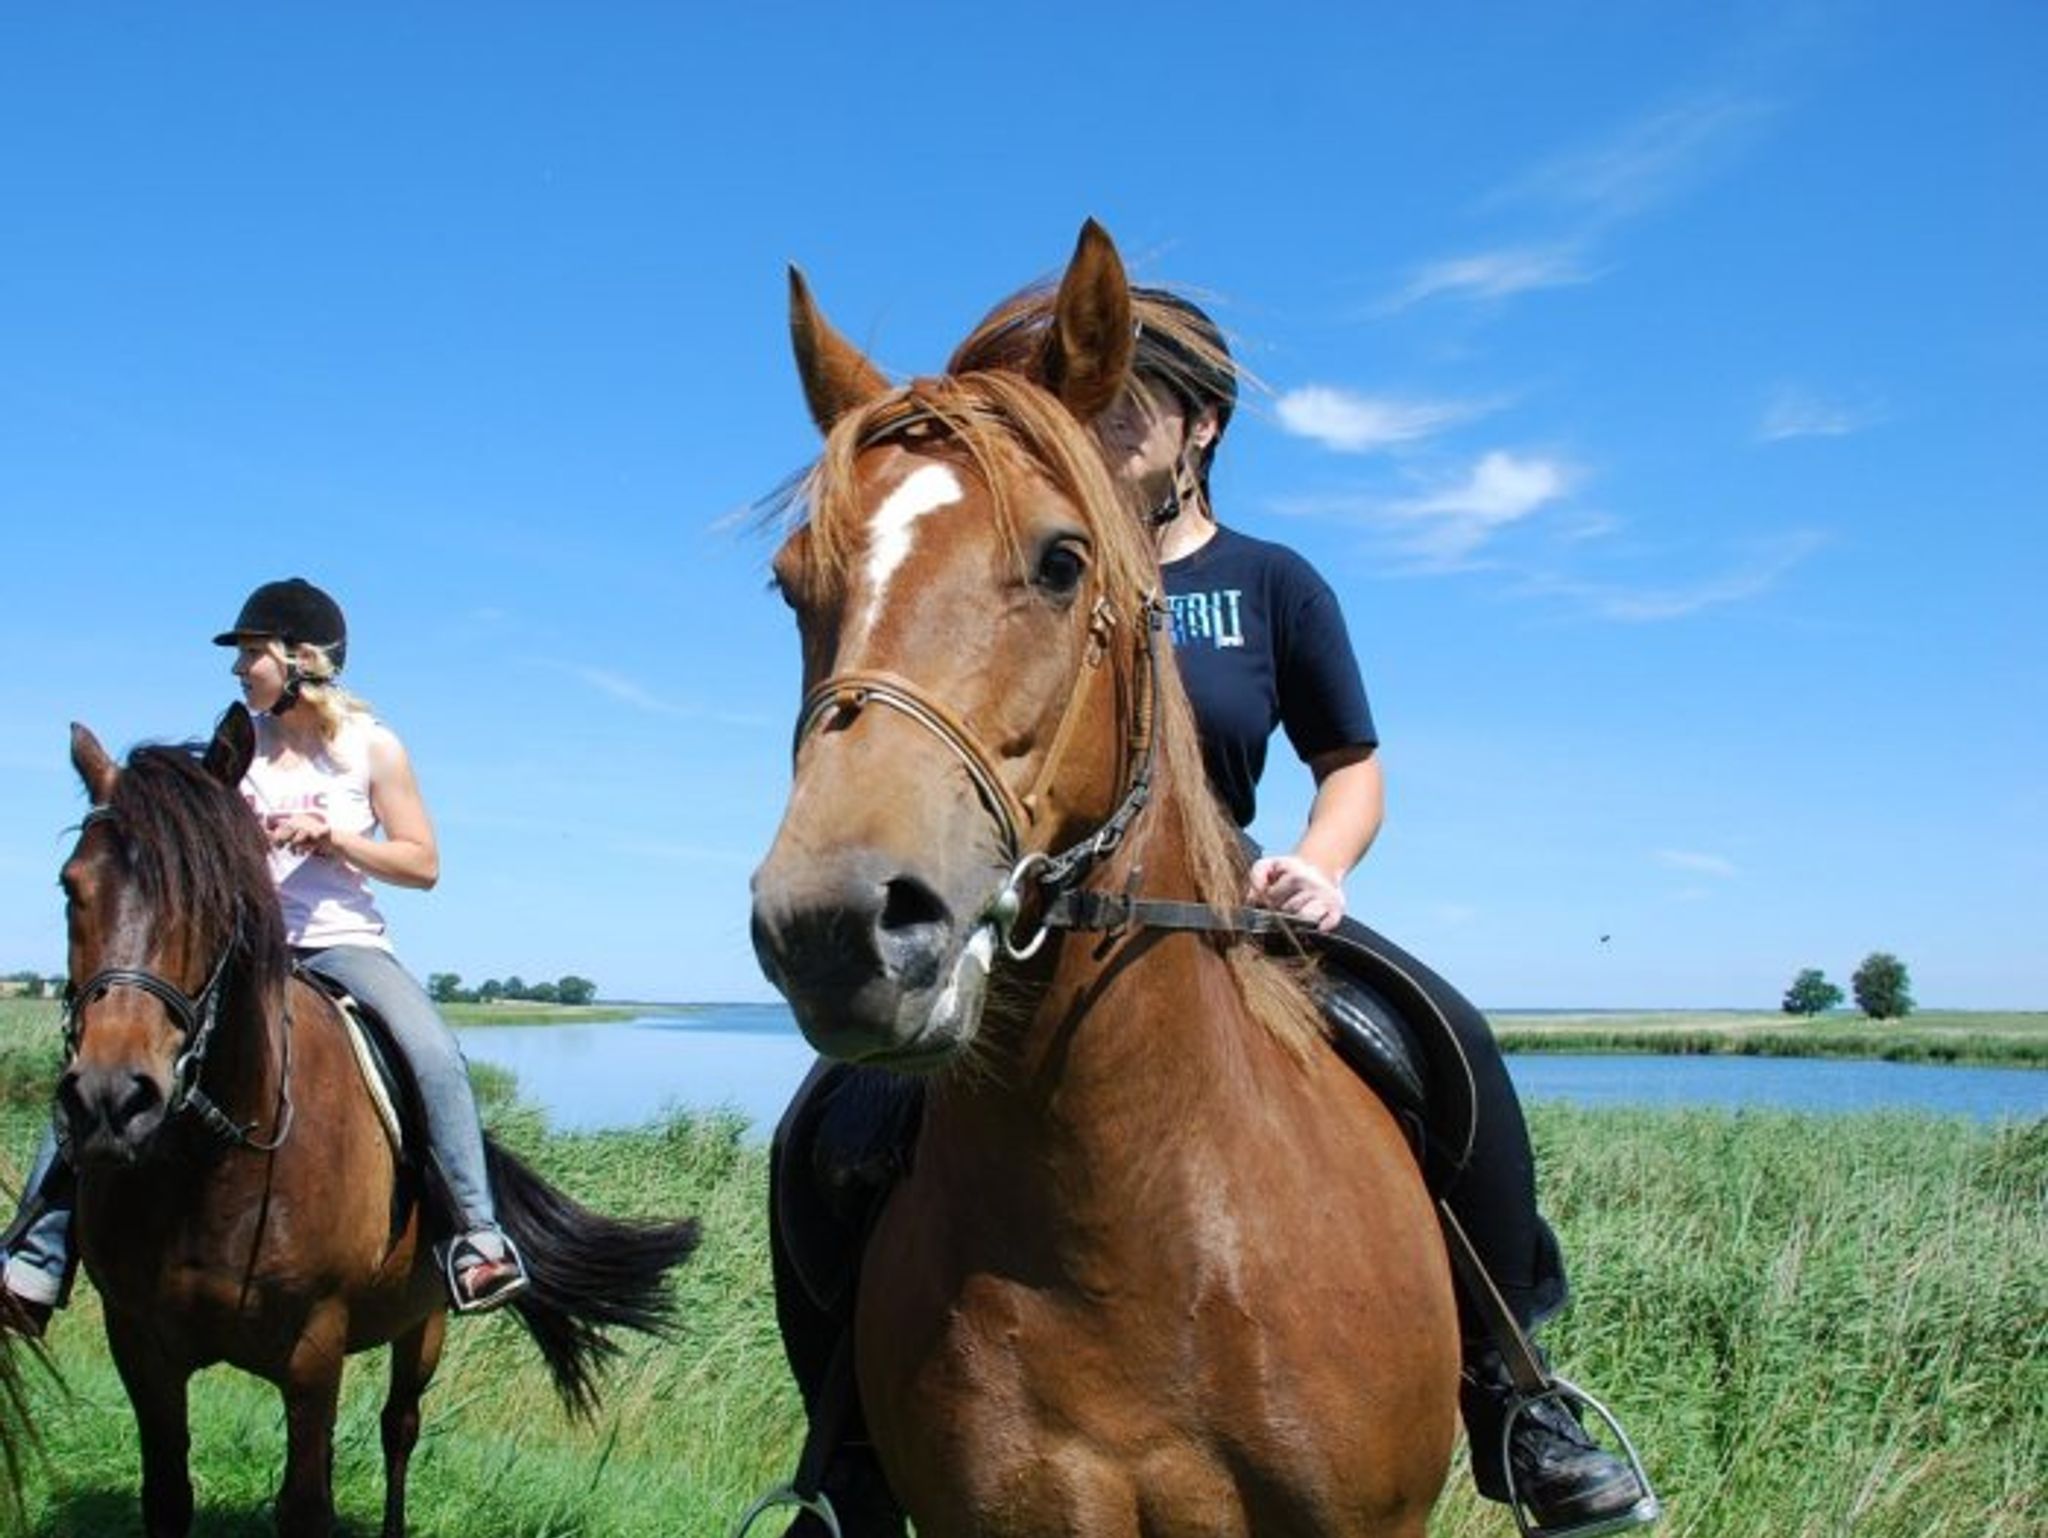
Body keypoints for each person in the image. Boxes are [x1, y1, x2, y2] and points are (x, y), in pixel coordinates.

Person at [1086, 287, 1655, 1533]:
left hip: (1228, 901)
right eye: (1085, 401)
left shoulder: (1271, 582)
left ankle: (1515, 1400)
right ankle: (843, 1461)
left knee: (1447, 1039)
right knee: (844, 1114)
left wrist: (1317, 862)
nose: (1101, 426)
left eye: (1132, 403)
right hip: (1057, 910)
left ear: (1204, 427)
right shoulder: (1045, 561)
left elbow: (1350, 761)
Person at [2, 577, 528, 1330]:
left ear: (301, 659)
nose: (240, 670)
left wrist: (338, 839)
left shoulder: (371, 750)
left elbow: (423, 863)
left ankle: (476, 1236)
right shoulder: (231, 753)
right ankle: (37, 1257)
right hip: (242, 951)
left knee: (435, 1052)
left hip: (343, 944)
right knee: (99, 1067)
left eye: (252, 654)